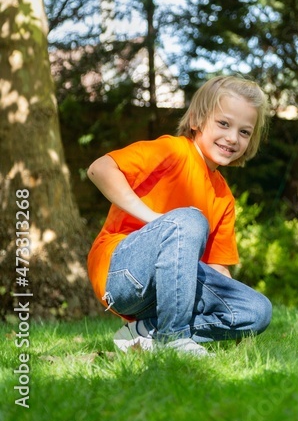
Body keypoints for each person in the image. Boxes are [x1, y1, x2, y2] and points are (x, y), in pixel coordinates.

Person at [86, 75, 273, 356]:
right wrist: (157, 220)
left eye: (244, 132)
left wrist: (233, 310)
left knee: (257, 310)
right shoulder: (172, 150)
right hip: (122, 274)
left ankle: (146, 332)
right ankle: (173, 338)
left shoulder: (224, 197)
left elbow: (217, 270)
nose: (233, 138)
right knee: (190, 219)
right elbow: (99, 169)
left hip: (170, 291)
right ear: (197, 120)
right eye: (223, 124)